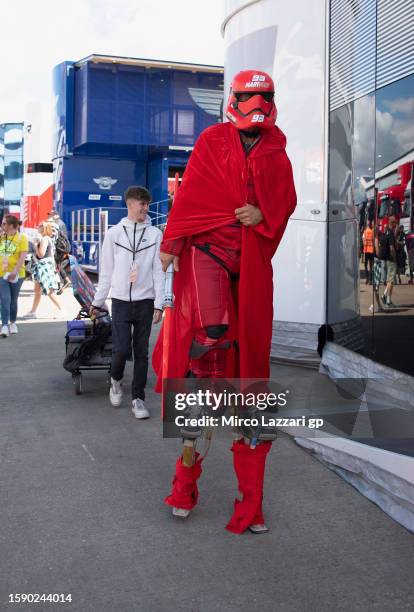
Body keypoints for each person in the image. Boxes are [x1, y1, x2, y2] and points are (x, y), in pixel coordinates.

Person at [153, 70, 297, 534]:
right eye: (248, 97)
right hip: (209, 250)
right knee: (209, 342)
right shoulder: (213, 140)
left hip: (252, 257)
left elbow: (285, 198)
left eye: (264, 98)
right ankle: (185, 479)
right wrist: (173, 243)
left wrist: (264, 213)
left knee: (250, 360)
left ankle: (250, 501)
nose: (256, 105)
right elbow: (192, 195)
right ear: (234, 99)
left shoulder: (276, 148)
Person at [91, 186, 164, 419]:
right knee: (121, 349)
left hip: (145, 301)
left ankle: (138, 399)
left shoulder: (154, 234)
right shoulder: (114, 233)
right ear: (130, 204)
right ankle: (115, 379)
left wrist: (159, 303)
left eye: (147, 205)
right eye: (142, 204)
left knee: (141, 352)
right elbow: (106, 271)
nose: (145, 208)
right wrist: (97, 301)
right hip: (121, 301)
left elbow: (159, 271)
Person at [23, 221, 61, 318]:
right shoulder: (47, 239)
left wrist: (35, 246)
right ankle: (33, 312)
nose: (38, 227)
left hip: (43, 267)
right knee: (37, 290)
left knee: (49, 291)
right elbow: (52, 255)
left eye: (40, 226)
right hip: (44, 266)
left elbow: (41, 254)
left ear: (44, 228)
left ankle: (61, 310)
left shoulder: (44, 239)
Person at [0, 215, 28, 337]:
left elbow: (22, 257)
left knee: (13, 300)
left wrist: (15, 271)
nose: (2, 225)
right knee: (5, 299)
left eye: (4, 223)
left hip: (17, 274)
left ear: (11, 225)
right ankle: (4, 325)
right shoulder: (2, 237)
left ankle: (13, 323)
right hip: (2, 274)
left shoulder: (22, 238)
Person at [380, 216, 397, 307]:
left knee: (390, 280)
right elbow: (391, 248)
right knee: (390, 280)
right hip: (391, 259)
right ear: (392, 223)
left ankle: (386, 298)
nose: (396, 224)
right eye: (395, 222)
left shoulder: (385, 232)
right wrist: (394, 258)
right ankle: (386, 299)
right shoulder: (390, 233)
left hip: (385, 259)